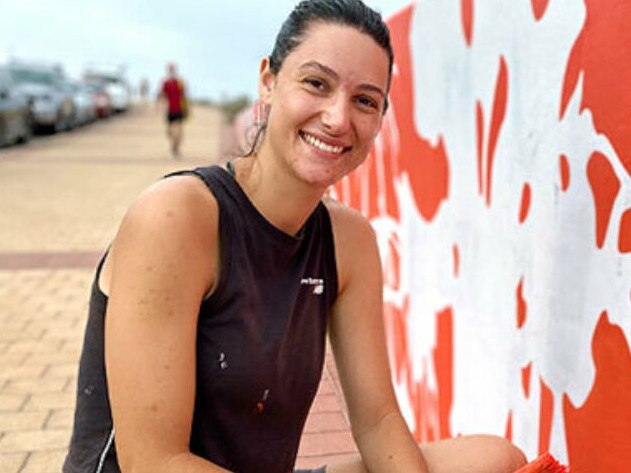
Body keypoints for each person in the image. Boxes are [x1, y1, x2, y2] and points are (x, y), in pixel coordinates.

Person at [63, 1, 528, 472]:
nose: (337, 118)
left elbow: (378, 418)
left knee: (492, 459)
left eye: (365, 100)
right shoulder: (177, 216)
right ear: (268, 81)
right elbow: (155, 463)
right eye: (316, 83)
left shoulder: (350, 242)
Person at [158, 63, 187, 157]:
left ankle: (176, 148)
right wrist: (160, 105)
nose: (171, 71)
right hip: (169, 110)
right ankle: (173, 145)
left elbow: (185, 95)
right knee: (169, 132)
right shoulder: (165, 83)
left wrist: (187, 108)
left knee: (178, 131)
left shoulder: (180, 82)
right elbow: (161, 94)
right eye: (170, 69)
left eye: (173, 69)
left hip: (179, 109)